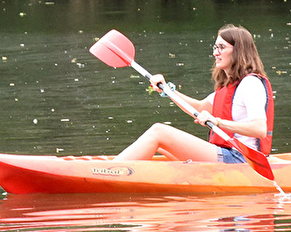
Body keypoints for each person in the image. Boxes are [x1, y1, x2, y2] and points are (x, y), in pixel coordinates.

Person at [114, 24, 274, 163]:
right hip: (227, 154)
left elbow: (259, 128)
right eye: (215, 47)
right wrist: (168, 90)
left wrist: (218, 122)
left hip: (243, 159)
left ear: (239, 51)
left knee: (159, 132)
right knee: (164, 148)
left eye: (222, 47)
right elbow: (199, 107)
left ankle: (112, 170)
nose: (215, 53)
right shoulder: (229, 86)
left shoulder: (251, 84)